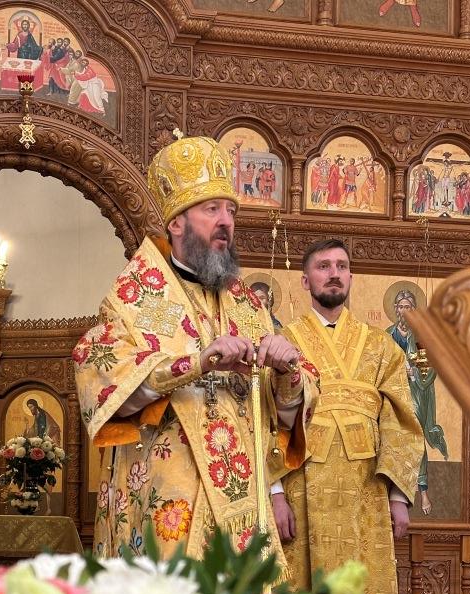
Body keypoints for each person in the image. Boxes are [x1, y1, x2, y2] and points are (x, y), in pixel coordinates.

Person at [73, 134, 319, 565]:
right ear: (176, 224)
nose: (226, 222)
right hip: (168, 505)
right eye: (212, 210)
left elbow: (278, 418)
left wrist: (288, 373)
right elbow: (100, 384)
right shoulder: (136, 297)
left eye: (231, 211)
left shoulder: (248, 305)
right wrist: (196, 363)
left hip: (243, 510)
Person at [273, 239, 423, 594]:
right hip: (301, 486)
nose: (334, 274)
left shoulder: (380, 345)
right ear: (305, 281)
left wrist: (398, 496)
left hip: (365, 489)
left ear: (351, 277)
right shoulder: (283, 341)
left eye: (341, 266)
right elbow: (267, 419)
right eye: (323, 266)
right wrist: (274, 494)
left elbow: (400, 420)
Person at [387, 289, 448, 515]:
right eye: (401, 307)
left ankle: (422, 491)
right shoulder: (387, 335)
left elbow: (431, 368)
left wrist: (413, 372)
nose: (404, 311)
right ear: (396, 309)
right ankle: (392, 491)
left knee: (415, 437)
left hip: (416, 395)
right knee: (390, 437)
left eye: (408, 307)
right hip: (392, 394)